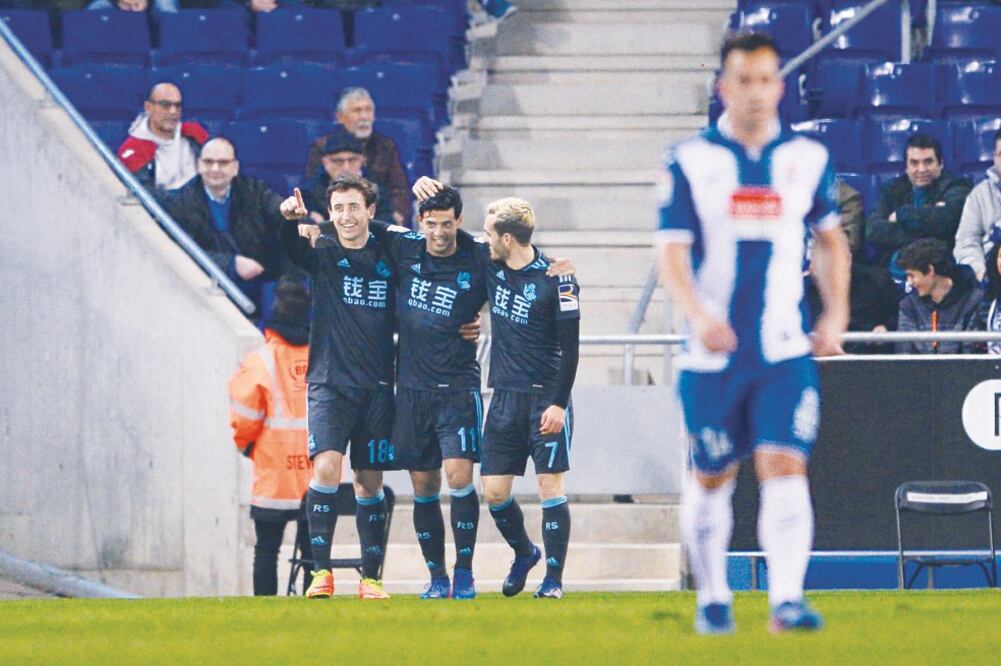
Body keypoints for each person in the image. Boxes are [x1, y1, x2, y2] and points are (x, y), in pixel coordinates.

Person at [656, 32, 849, 634]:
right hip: (712, 358)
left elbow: (831, 240)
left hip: (783, 350)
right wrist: (697, 315)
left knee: (785, 463)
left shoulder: (808, 159)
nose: (756, 92)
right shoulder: (689, 161)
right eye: (744, 80)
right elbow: (671, 254)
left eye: (767, 79)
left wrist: (835, 313)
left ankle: (785, 601)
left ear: (780, 86)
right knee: (713, 473)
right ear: (724, 87)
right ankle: (713, 596)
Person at [278, 176, 397, 600]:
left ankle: (370, 578)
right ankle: (320, 573)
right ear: (330, 214)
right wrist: (289, 222)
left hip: (379, 385)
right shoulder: (323, 253)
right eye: (338, 209)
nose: (346, 216)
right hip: (329, 382)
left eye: (353, 207)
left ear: (369, 211)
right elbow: (291, 251)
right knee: (326, 467)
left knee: (368, 481)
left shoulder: (390, 256)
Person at [228, 278, 313, 596]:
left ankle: (265, 612)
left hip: (273, 474)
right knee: (313, 554)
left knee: (266, 550)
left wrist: (247, 446)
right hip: (313, 473)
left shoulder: (259, 361)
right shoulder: (321, 355)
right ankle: (316, 613)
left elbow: (243, 417)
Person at [163, 137, 286, 313]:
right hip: (206, 288)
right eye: (208, 162)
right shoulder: (180, 202)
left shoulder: (255, 191)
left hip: (257, 281)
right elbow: (183, 252)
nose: (215, 169)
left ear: (235, 168)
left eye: (223, 163)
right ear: (198, 165)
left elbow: (284, 214)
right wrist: (231, 264)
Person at [865, 133, 972, 280]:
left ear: (940, 163)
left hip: (937, 272)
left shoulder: (957, 187)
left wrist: (900, 215)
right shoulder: (892, 189)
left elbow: (948, 221)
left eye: (928, 162)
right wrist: (929, 231)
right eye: (914, 163)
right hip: (890, 273)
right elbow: (873, 230)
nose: (921, 169)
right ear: (906, 167)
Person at [306, 88, 410, 225]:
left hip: (376, 214)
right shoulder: (322, 147)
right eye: (357, 111)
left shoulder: (386, 146)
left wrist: (396, 215)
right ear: (340, 117)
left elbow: (399, 188)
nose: (364, 117)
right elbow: (315, 187)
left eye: (368, 110)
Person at [895, 238, 982, 354]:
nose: (909, 282)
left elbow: (971, 356)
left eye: (912, 276)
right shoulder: (909, 305)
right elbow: (903, 355)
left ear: (930, 270)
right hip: (918, 371)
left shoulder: (973, 300)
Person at [117, 82, 208, 192]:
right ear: (148, 107)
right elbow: (146, 198)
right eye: (165, 105)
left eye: (177, 105)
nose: (173, 111)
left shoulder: (195, 133)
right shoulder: (132, 149)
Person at [300, 126, 394, 226]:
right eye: (338, 161)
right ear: (325, 161)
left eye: (352, 160)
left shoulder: (377, 193)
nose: (346, 167)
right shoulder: (309, 194)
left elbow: (386, 227)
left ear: (362, 160)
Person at [954, 129, 1001, 281]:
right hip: (990, 279)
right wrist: (981, 273)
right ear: (994, 157)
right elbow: (966, 242)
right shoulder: (979, 195)